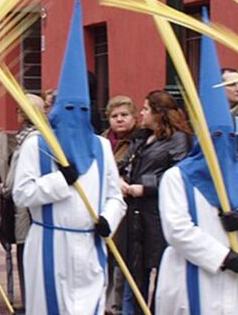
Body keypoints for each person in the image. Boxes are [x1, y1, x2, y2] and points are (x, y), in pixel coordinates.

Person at [13, 0, 126, 314]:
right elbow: (22, 194)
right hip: (50, 245)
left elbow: (116, 196)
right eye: (70, 109)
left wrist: (109, 219)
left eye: (82, 109)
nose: (76, 115)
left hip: (90, 247)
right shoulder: (37, 145)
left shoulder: (102, 147)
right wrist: (60, 183)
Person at [155, 20, 238, 313]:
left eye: (227, 137)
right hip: (192, 277)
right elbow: (177, 229)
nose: (222, 144)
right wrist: (221, 256)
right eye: (214, 137)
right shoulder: (176, 178)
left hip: (235, 280)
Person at [120, 90, 191, 313]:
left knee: (162, 268)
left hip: (158, 213)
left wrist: (146, 187)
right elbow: (128, 163)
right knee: (134, 269)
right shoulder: (142, 138)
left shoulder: (178, 139)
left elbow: (179, 175)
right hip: (135, 212)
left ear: (159, 113)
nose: (142, 113)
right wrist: (122, 177)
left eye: (146, 109)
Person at [2, 93, 43, 313]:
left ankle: (30, 303)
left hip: (24, 209)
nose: (16, 114)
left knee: (25, 253)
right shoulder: (30, 137)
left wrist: (5, 188)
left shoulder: (28, 140)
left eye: (19, 110)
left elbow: (14, 177)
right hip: (24, 207)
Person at [102, 95, 140, 315]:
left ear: (134, 117)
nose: (119, 120)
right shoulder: (103, 140)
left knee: (121, 262)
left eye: (124, 115)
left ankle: (115, 307)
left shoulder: (138, 142)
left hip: (128, 208)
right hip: (104, 207)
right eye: (114, 116)